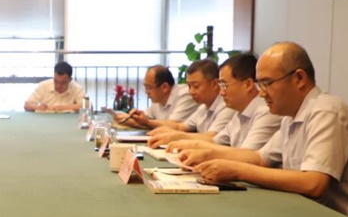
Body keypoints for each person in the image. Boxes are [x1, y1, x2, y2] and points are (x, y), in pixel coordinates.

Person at [178, 42, 348, 217]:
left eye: (267, 83)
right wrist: (208, 155)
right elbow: (260, 158)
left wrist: (238, 170)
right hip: (312, 213)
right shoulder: (290, 116)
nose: (261, 93)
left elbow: (314, 183)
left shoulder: (326, 111)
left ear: (299, 78)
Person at [153, 53, 281, 151]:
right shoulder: (239, 113)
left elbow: (248, 156)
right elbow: (215, 141)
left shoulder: (265, 111)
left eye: (224, 85)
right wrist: (181, 140)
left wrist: (189, 142)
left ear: (248, 85)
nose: (222, 92)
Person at [146, 59, 235, 141]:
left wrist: (177, 136)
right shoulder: (203, 108)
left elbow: (212, 137)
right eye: (189, 86)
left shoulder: (226, 106)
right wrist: (164, 130)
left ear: (215, 84)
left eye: (196, 86)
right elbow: (180, 127)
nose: (191, 92)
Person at [120, 65, 196, 129]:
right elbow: (145, 122)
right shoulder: (157, 99)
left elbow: (173, 126)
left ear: (164, 87)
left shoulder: (186, 95)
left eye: (149, 88)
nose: (146, 92)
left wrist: (146, 122)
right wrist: (124, 117)